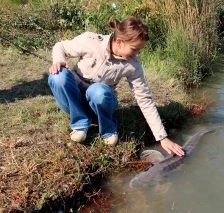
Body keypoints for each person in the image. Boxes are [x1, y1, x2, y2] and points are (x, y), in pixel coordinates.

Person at [48, 17, 184, 157]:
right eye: (134, 49)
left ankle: (108, 129)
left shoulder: (133, 65)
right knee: (57, 75)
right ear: (119, 42)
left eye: (139, 50)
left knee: (98, 91)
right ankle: (80, 124)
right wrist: (59, 61)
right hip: (72, 102)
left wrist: (162, 137)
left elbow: (144, 99)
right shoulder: (90, 40)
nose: (137, 54)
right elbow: (61, 46)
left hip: (101, 103)